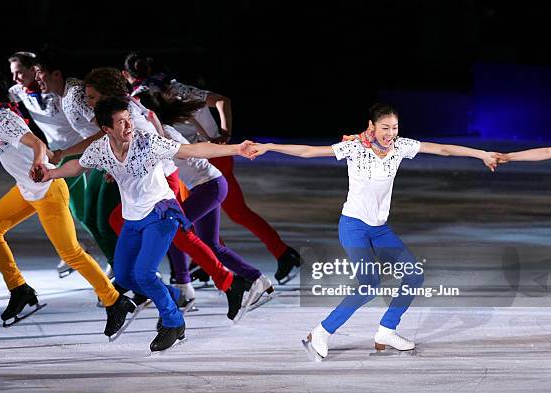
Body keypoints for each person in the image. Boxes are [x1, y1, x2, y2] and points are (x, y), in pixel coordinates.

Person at [249, 103, 500, 359]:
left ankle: (387, 331)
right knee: (369, 285)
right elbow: (308, 152)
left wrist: (481, 153)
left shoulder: (401, 146)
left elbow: (443, 149)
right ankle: (321, 331)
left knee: (413, 276)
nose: (390, 133)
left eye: (395, 127)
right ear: (371, 126)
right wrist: (269, 146)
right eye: (385, 128)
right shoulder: (355, 148)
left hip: (379, 230)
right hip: (353, 226)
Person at [38, 96, 259, 350]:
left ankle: (174, 323)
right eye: (121, 122)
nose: (129, 125)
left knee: (144, 274)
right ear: (106, 129)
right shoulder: (100, 149)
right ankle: (173, 296)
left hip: (161, 213)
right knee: (124, 277)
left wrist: (236, 149)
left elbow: (190, 151)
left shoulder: (147, 142)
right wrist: (51, 173)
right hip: (133, 219)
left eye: (129, 119)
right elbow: (78, 166)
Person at [0, 70, 133, 335]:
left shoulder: (5, 119)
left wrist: (37, 162)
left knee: (71, 253)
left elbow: (38, 144)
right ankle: (20, 289)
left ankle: (115, 301)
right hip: (27, 190)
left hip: (48, 190)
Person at [83, 67, 261, 319]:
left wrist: (234, 148)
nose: (89, 102)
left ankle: (220, 282)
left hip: (163, 179)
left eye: (92, 97)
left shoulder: (129, 113)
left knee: (178, 234)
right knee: (122, 221)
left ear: (106, 93)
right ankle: (204, 283)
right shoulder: (125, 108)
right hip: (156, 177)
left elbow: (158, 142)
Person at [123, 52, 301, 284]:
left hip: (207, 157)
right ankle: (213, 263)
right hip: (196, 158)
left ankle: (277, 254)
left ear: (127, 75)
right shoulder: (165, 91)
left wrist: (224, 135)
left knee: (223, 215)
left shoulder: (157, 94)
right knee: (204, 218)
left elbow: (220, 101)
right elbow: (218, 103)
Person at [137, 89, 274, 319]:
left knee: (174, 229)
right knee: (210, 244)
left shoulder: (166, 132)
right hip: (208, 185)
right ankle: (258, 279)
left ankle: (186, 285)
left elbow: (170, 148)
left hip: (210, 186)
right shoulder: (162, 132)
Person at [32, 47, 119, 277]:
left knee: (104, 223)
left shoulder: (75, 95)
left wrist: (65, 152)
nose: (37, 77)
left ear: (56, 74)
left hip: (116, 161)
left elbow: (105, 129)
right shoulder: (65, 94)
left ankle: (128, 274)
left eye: (40, 72)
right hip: (102, 160)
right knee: (90, 217)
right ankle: (120, 270)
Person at [7, 51, 92, 277]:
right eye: (13, 75)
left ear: (34, 71)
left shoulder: (59, 91)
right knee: (80, 211)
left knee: (62, 204)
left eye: (20, 73)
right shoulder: (18, 92)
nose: (16, 79)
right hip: (58, 154)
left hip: (78, 152)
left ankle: (74, 251)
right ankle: (76, 250)